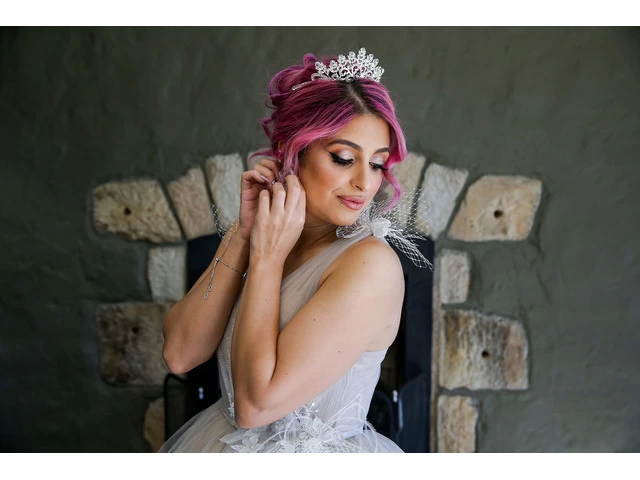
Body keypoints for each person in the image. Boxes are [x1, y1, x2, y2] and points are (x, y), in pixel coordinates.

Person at [159, 48, 422, 453]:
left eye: (376, 164)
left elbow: (254, 406)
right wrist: (244, 236)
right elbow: (179, 354)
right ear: (290, 150)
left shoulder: (370, 265)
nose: (365, 183)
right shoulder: (265, 234)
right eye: (344, 158)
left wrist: (267, 258)